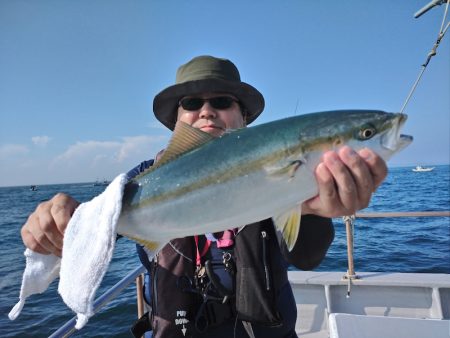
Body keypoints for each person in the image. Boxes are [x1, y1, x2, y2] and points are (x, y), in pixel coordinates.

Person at [21, 55, 387, 337]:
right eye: (192, 102)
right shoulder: (141, 181)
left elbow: (306, 255)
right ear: (177, 121)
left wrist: (314, 211)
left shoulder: (279, 177)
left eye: (222, 101)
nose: (206, 111)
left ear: (243, 117)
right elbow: (94, 225)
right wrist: (56, 221)